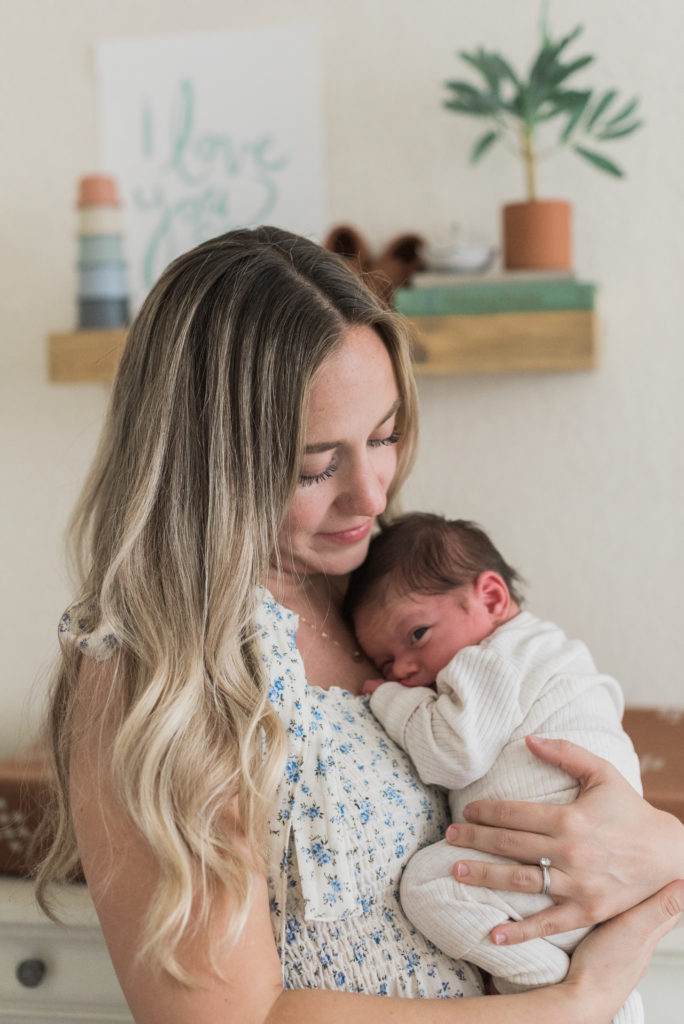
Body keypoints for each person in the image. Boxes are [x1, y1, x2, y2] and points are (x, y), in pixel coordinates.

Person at [35, 226, 684, 1024]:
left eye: (383, 436)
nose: (372, 496)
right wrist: (574, 1006)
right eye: (315, 466)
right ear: (209, 467)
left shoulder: (386, 598)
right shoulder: (156, 668)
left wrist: (657, 848)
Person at [345, 512, 645, 1022]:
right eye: (384, 663)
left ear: (490, 598)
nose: (404, 669)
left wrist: (388, 699)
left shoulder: (493, 657)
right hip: (591, 868)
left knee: (428, 885)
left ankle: (553, 988)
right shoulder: (541, 649)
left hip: (562, 860)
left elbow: (452, 752)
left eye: (416, 634)